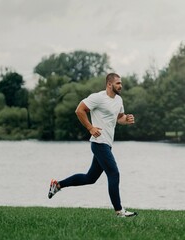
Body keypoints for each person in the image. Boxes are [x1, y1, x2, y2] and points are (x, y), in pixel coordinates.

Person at [48, 73, 138, 217]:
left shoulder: (119, 100)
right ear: (109, 84)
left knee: (90, 178)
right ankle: (119, 211)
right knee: (114, 173)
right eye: (118, 83)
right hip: (98, 143)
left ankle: (57, 185)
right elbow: (79, 110)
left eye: (121, 83)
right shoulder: (98, 98)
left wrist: (126, 119)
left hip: (107, 144)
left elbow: (119, 118)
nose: (121, 86)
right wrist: (90, 127)